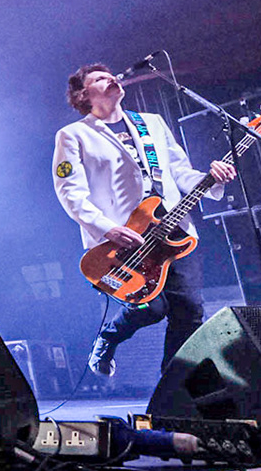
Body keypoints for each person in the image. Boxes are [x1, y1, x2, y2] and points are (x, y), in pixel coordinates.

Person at [52, 63, 235, 377]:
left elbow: (179, 171)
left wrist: (214, 178)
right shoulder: (74, 135)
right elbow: (70, 192)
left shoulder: (151, 123)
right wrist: (107, 228)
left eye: (109, 73)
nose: (109, 78)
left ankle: (175, 385)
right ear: (84, 95)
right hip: (124, 240)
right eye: (98, 78)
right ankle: (110, 335)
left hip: (175, 231)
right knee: (151, 308)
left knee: (190, 311)